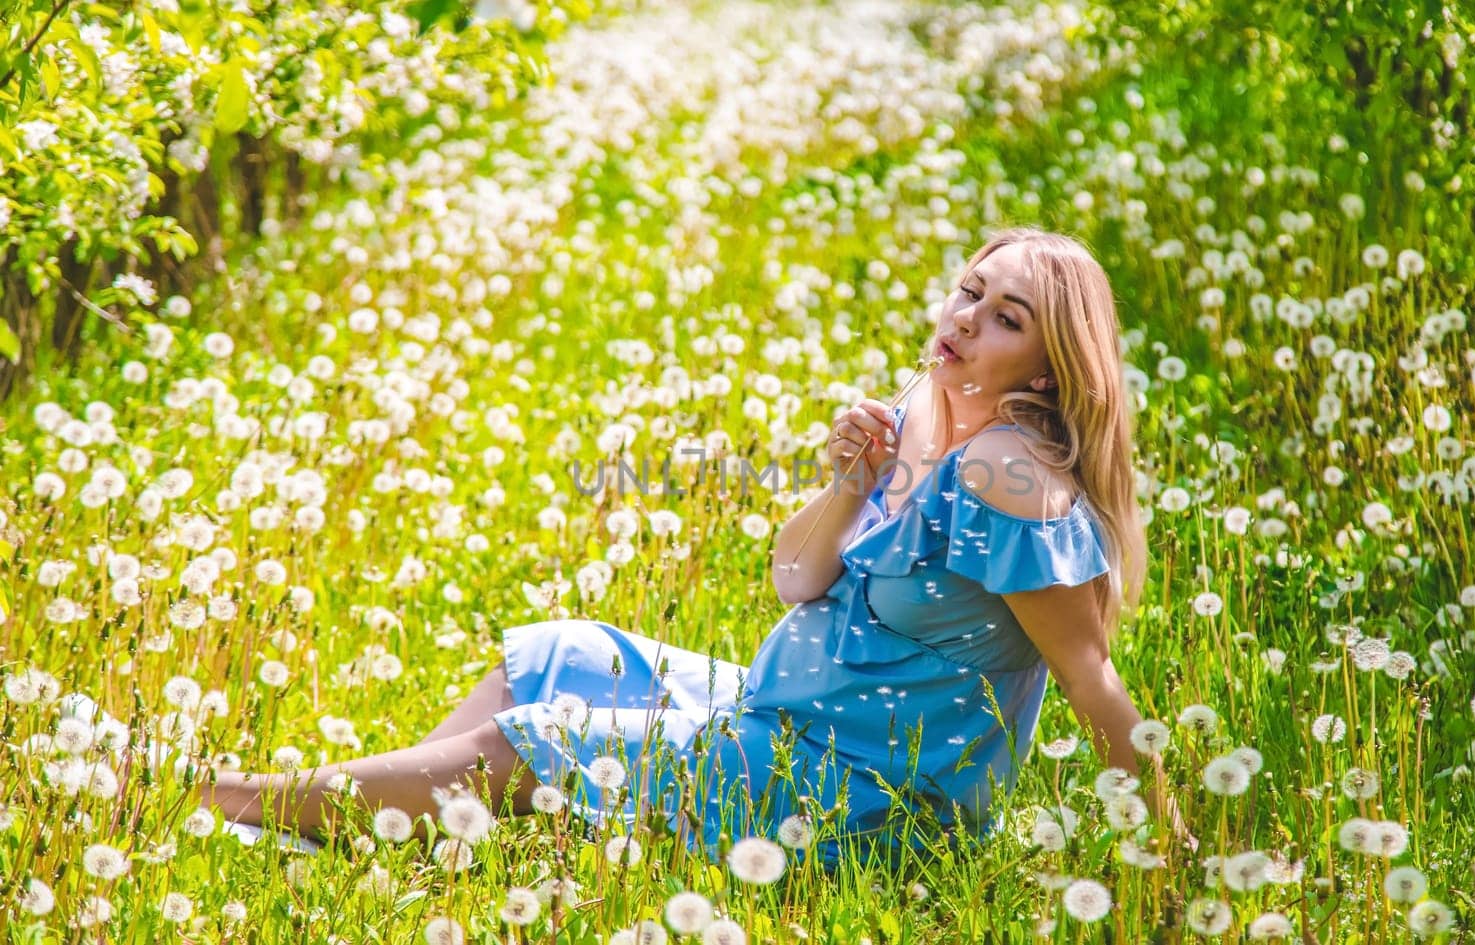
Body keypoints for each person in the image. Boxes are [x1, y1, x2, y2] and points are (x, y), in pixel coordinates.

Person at [202, 226, 1153, 865]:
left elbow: (1088, 676)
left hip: (865, 793)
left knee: (543, 739)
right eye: (970, 291)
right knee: (564, 651)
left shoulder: (1009, 475)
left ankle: (243, 800)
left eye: (1006, 319)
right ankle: (385, 820)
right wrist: (848, 483)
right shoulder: (918, 409)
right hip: (777, 720)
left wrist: (1175, 853)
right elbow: (796, 579)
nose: (964, 320)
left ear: (1051, 362)